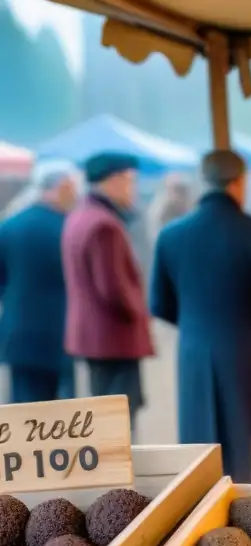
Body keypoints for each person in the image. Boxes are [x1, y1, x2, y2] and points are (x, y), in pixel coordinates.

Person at [150, 150, 251, 483]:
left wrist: (194, 324)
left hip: (195, 351)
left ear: (204, 181)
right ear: (240, 181)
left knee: (203, 445)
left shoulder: (171, 235)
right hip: (250, 348)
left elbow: (158, 303)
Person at [62, 152, 154, 434]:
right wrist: (139, 313)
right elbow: (113, 289)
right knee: (119, 420)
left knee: (106, 414)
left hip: (95, 336)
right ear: (113, 181)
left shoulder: (81, 216)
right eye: (129, 181)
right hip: (113, 337)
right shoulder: (105, 225)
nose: (132, 189)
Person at [0, 161, 79, 403]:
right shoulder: (68, 228)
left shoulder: (9, 226)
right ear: (62, 187)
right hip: (61, 333)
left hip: (18, 333)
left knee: (23, 412)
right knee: (63, 419)